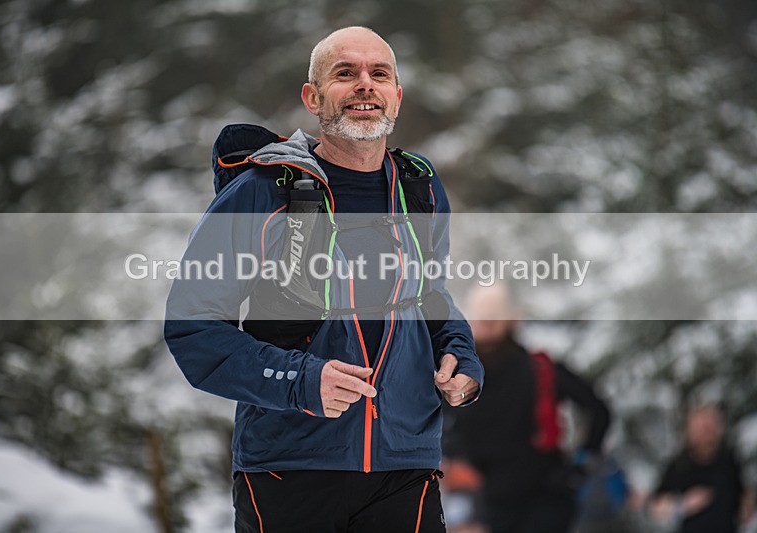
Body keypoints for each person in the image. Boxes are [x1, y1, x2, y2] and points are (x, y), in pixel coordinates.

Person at [164, 26, 484, 533]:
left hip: (405, 465)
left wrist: (460, 353)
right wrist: (301, 381)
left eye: (379, 74)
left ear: (396, 97)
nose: (365, 84)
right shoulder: (262, 192)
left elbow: (429, 295)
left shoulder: (420, 188)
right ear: (313, 98)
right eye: (345, 73)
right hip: (290, 466)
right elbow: (193, 327)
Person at [441, 285, 611, 533]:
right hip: (484, 506)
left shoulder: (540, 369)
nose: (487, 320)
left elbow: (598, 411)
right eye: (481, 313)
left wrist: (580, 465)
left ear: (513, 316)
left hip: (541, 499)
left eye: (494, 313)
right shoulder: (453, 375)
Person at [651, 404, 752, 533]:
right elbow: (655, 507)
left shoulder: (730, 461)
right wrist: (681, 505)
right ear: (689, 431)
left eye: (711, 426)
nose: (707, 433)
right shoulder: (680, 466)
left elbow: (743, 497)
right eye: (701, 428)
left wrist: (747, 506)